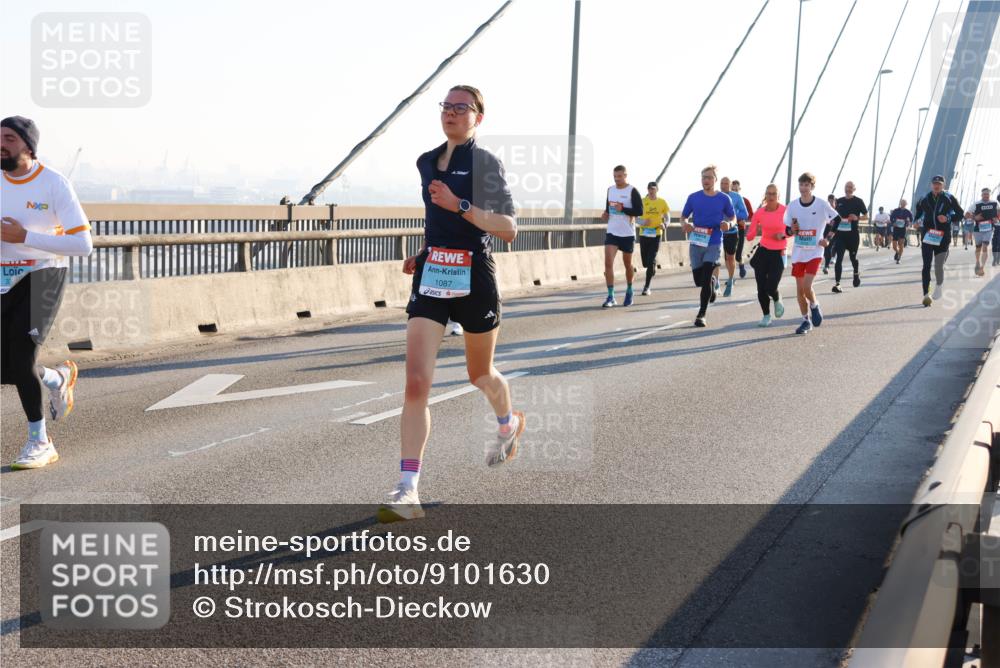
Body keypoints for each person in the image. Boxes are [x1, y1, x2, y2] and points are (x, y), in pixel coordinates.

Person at [380, 86, 523, 523]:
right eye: (446, 106)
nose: (452, 113)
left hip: (475, 276)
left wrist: (461, 205)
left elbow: (508, 228)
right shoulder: (426, 161)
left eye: (462, 108)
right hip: (433, 275)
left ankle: (507, 421)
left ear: (479, 117)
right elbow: (435, 221)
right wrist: (424, 253)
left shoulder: (485, 163)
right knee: (416, 383)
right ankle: (408, 489)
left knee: (479, 373)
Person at [1, 116, 93, 470]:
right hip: (4, 277)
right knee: (5, 367)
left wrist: (24, 237)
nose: (1, 144)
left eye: (8, 138)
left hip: (43, 274)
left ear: (27, 145)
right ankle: (57, 378)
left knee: (22, 357)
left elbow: (83, 244)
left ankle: (40, 442)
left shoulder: (54, 184)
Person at [682, 165, 734, 327]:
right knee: (699, 280)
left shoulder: (724, 199)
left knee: (703, 282)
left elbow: (732, 218)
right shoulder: (693, 197)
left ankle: (701, 314)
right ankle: (712, 279)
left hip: (714, 242)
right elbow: (683, 217)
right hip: (697, 241)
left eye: (710, 177)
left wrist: (728, 224)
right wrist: (685, 224)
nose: (706, 180)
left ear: (715, 180)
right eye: (704, 177)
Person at [786, 172, 836, 335]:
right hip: (799, 252)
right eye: (801, 185)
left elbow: (836, 220)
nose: (803, 188)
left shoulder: (821, 204)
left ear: (812, 187)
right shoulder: (793, 205)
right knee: (800, 290)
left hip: (815, 251)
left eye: (807, 185)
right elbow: (787, 228)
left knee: (807, 286)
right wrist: (791, 229)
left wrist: (827, 238)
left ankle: (814, 305)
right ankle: (805, 321)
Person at [913, 175, 965, 307]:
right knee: (926, 265)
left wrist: (947, 218)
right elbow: (918, 213)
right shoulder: (923, 199)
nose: (937, 185)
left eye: (939, 184)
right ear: (931, 185)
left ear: (943, 186)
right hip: (928, 235)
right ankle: (926, 294)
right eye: (935, 183)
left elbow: (960, 214)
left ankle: (939, 285)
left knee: (938, 265)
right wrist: (916, 222)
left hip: (943, 236)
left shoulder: (949, 198)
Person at [601, 165, 644, 308]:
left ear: (625, 175)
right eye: (615, 177)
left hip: (627, 233)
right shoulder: (610, 190)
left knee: (627, 264)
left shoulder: (632, 191)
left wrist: (624, 209)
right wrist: (605, 214)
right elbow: (608, 208)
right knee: (608, 263)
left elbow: (639, 211)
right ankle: (611, 296)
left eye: (619, 176)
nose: (617, 179)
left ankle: (630, 290)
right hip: (612, 231)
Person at [745, 184, 786, 327]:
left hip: (779, 253)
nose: (771, 196)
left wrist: (784, 234)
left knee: (771, 286)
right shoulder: (760, 212)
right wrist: (749, 234)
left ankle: (776, 297)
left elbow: (793, 228)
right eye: (768, 194)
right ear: (765, 195)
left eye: (774, 194)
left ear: (778, 196)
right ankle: (766, 316)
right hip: (763, 251)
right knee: (761, 288)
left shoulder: (785, 211)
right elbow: (751, 232)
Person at [831, 181, 868, 293]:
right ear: (844, 188)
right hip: (840, 235)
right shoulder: (839, 201)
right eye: (847, 187)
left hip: (852, 235)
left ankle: (856, 272)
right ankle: (837, 284)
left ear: (854, 189)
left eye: (851, 187)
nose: (848, 189)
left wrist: (857, 218)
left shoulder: (858, 201)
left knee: (853, 258)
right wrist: (832, 221)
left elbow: (866, 216)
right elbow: (833, 215)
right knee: (839, 259)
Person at [719, 176, 749, 297]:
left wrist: (733, 216)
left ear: (730, 185)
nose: (723, 185)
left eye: (726, 183)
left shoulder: (736, 197)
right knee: (721, 259)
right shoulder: (716, 196)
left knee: (731, 258)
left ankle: (731, 280)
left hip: (732, 231)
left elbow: (745, 213)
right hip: (718, 232)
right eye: (722, 183)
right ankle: (716, 283)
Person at [638, 181, 669, 296]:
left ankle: (647, 287)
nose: (652, 191)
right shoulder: (642, 201)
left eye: (654, 189)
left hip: (656, 233)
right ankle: (652, 267)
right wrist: (643, 221)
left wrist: (665, 224)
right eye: (650, 189)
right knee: (646, 263)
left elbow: (667, 217)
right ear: (647, 189)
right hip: (644, 234)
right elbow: (635, 218)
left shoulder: (662, 202)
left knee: (650, 260)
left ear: (657, 190)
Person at [970, 188, 1000, 273]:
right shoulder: (976, 204)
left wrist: (997, 218)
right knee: (978, 248)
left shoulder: (995, 203)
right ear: (981, 195)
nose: (986, 195)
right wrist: (975, 217)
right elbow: (967, 214)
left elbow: (999, 212)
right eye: (984, 194)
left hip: (989, 229)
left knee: (985, 246)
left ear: (989, 195)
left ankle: (982, 267)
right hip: (978, 229)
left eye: (987, 194)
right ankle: (977, 262)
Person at [731, 179, 754, 278]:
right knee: (729, 254)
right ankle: (730, 277)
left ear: (740, 189)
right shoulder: (726, 199)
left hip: (740, 229)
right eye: (733, 189)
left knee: (738, 254)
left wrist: (744, 220)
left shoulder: (744, 200)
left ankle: (741, 265)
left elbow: (751, 216)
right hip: (728, 230)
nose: (735, 191)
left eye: (736, 189)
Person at [889, 199, 913, 263]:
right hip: (896, 228)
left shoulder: (908, 212)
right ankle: (897, 252)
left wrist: (908, 226)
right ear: (900, 203)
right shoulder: (896, 210)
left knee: (901, 244)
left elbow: (911, 220)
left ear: (906, 204)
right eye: (902, 203)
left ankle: (898, 258)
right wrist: (893, 222)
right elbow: (891, 218)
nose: (903, 204)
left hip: (903, 229)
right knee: (894, 246)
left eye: (904, 203)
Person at [822, 194, 839, 274]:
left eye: (832, 202)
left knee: (828, 248)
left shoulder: (837, 212)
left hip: (834, 233)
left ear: (835, 202)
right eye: (829, 201)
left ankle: (826, 266)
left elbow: (840, 221)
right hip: (824, 232)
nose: (831, 203)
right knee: (825, 250)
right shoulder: (824, 211)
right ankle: (827, 263)